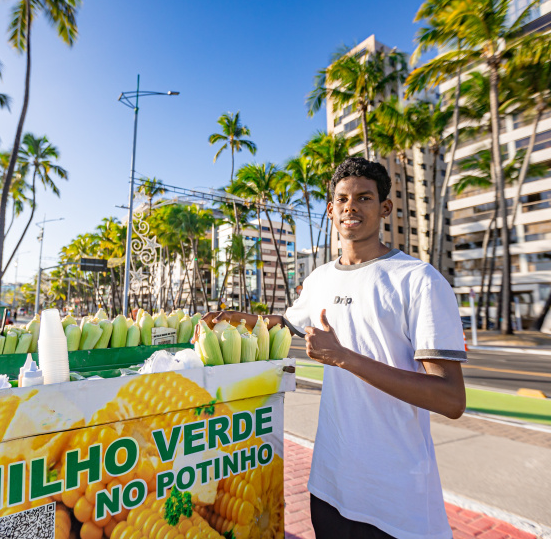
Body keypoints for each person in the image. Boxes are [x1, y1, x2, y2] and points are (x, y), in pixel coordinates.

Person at [199, 157, 466, 539]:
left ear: (385, 207)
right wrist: (227, 317)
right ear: (330, 210)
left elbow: (450, 399)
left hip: (395, 500)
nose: (350, 207)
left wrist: (343, 358)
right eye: (341, 199)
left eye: (364, 198)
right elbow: (282, 324)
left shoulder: (419, 280)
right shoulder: (321, 278)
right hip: (329, 486)